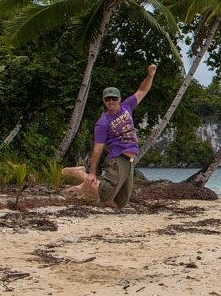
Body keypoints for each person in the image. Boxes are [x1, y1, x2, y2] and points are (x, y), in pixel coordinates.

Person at [63, 64, 156, 208]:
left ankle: (84, 186)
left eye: (114, 98)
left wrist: (150, 75)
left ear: (119, 99)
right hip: (117, 159)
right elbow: (98, 148)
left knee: (121, 202)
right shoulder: (102, 123)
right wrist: (92, 173)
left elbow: (142, 90)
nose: (111, 101)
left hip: (130, 161)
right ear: (104, 101)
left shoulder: (127, 106)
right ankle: (82, 175)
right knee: (106, 194)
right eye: (108, 99)